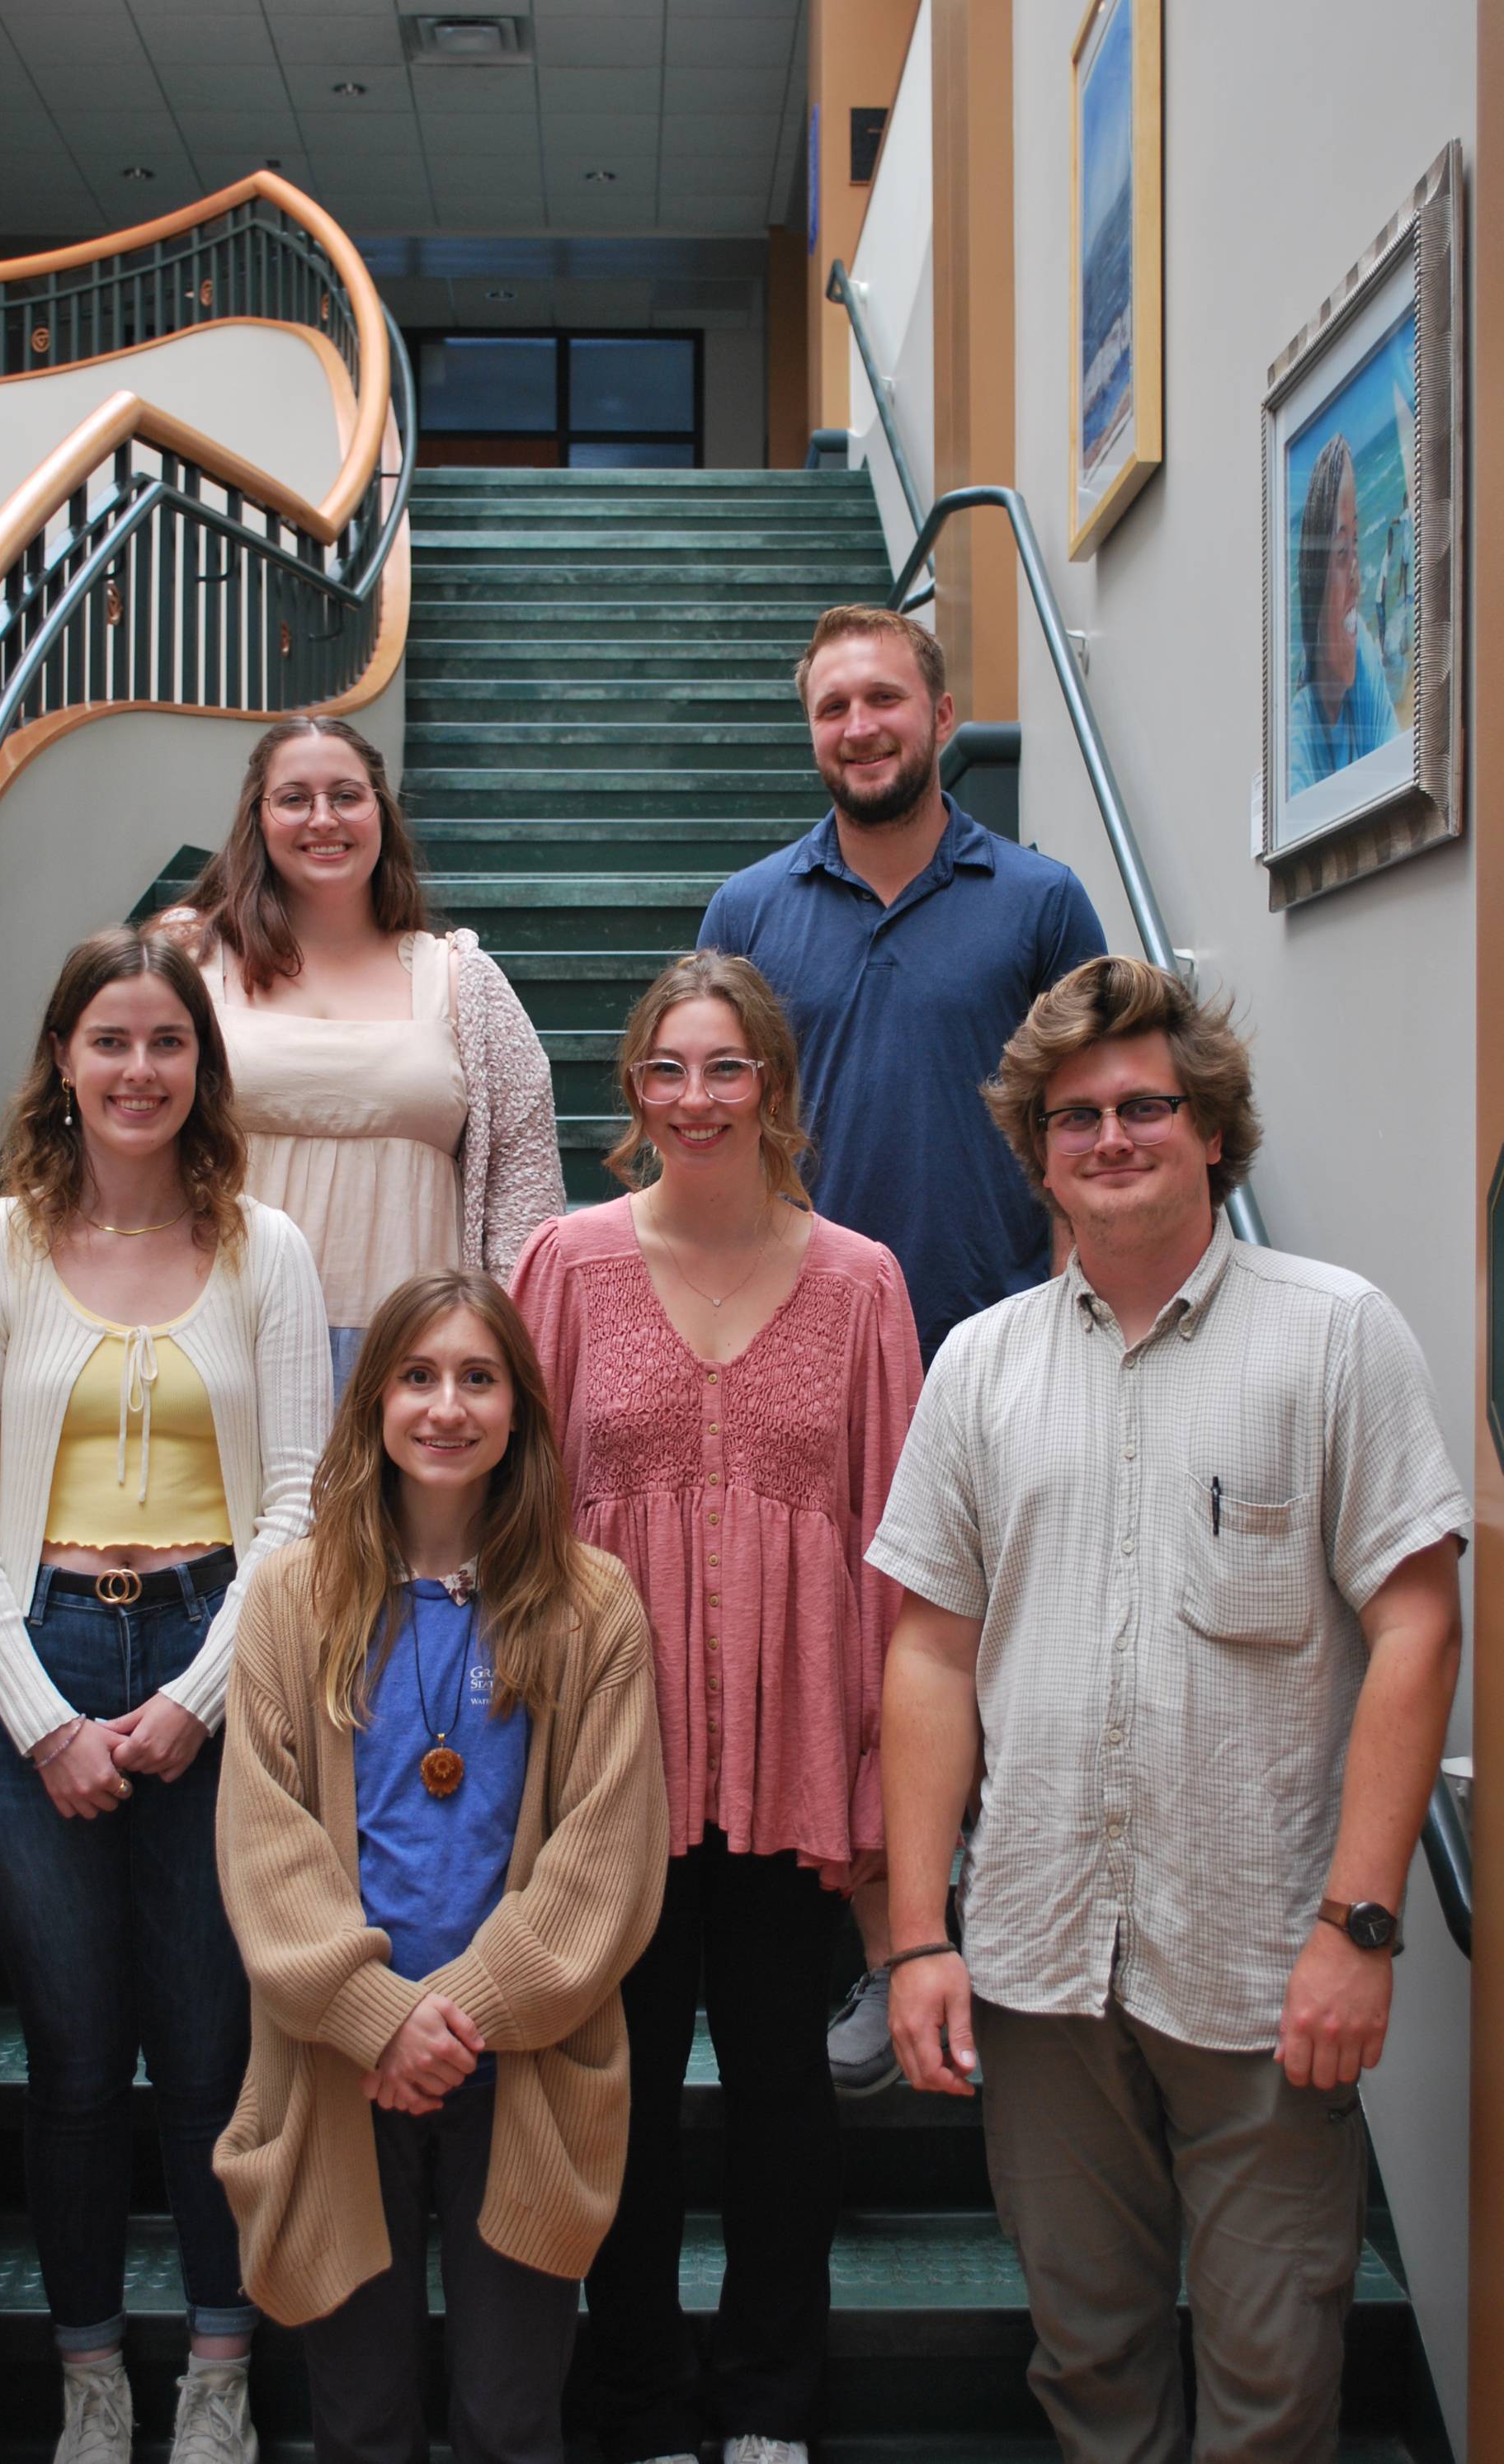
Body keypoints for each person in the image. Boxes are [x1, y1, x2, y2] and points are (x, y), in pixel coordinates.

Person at [870, 954, 1467, 2464]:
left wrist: (1361, 1925)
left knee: (1275, 2369)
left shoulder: (1336, 1334)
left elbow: (1417, 1622)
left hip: (1267, 1960)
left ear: (1211, 1127)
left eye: (1145, 1106)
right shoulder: (979, 1363)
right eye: (1075, 1116)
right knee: (1090, 2359)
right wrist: (919, 1934)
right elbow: (930, 1655)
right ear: (1039, 1151)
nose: (1111, 1136)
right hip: (1040, 1960)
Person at [0, 925, 332, 2464]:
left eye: (168, 1041)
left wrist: (200, 1700)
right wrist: (43, 1721)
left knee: (213, 2047)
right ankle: (90, 2372)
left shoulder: (266, 1248)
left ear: (201, 1066)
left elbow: (297, 1501)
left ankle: (220, 2369)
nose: (140, 1068)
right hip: (40, 1659)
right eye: (112, 1040)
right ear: (64, 1060)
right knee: (78, 2058)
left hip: (217, 1653)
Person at [510, 951, 922, 2464]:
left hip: (791, 1761)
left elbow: (899, 1545)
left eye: (726, 1066)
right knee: (610, 2093)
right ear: (635, 1089)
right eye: (668, 1069)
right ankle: (636, 2398)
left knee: (781, 2096)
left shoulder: (864, 1282)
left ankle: (767, 2404)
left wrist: (878, 1779)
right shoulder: (565, 1264)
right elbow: (513, 1514)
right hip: (609, 1766)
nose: (696, 1097)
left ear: (774, 1086)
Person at [698, 603, 1106, 2093]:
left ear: (941, 714)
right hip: (802, 1355)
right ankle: (892, 1948)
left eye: (884, 699)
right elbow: (707, 1114)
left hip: (991, 1337)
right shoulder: (750, 908)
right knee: (856, 1663)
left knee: (1006, 1652)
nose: (860, 727)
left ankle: (1007, 1941)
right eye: (834, 708)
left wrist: (1079, 1301)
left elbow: (1094, 1113)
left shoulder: (1041, 901)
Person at [213, 1270, 667, 2464]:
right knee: (360, 2416)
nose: (447, 1406)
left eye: (479, 1377)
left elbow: (606, 1856)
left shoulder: (592, 1606)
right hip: (340, 2059)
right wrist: (377, 2016)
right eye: (417, 1376)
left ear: (520, 1409)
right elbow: (264, 1842)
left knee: (511, 2417)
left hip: (519, 2060)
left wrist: (452, 2016)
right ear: (373, 1401)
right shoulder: (291, 1598)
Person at [166, 714, 564, 1388]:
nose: (324, 818)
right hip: (215, 1346)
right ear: (257, 817)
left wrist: (499, 1362)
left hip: (413, 1366)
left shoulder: (464, 981)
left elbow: (525, 1206)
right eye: (295, 798)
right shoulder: (189, 962)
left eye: (347, 796)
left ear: (381, 811)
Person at [1289, 434, 1401, 795]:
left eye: (1355, 542)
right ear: (1314, 586)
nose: (1357, 575)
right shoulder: (1298, 736)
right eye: (1341, 551)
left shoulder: (1362, 651)